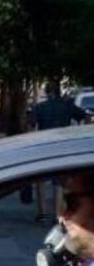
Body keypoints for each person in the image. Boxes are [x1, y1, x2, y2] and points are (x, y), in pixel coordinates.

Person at [27, 82, 87, 221]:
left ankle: (42, 213)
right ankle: (57, 215)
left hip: (44, 146)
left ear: (47, 92)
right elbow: (85, 116)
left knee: (41, 180)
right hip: (62, 147)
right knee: (59, 182)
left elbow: (31, 125)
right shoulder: (67, 106)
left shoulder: (40, 107)